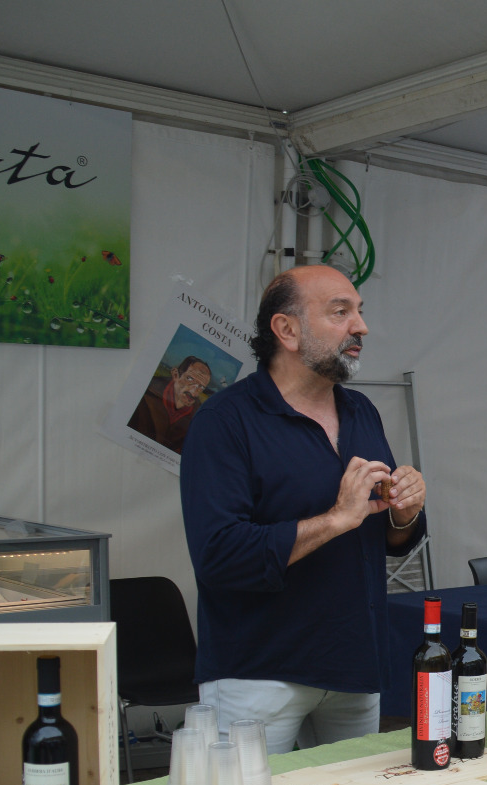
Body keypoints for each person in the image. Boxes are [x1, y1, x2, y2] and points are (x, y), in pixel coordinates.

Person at [181, 265, 428, 753]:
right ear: (287, 329)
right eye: (340, 312)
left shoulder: (361, 411)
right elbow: (219, 555)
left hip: (353, 666)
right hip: (258, 674)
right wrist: (334, 519)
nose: (361, 326)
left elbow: (386, 535)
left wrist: (405, 512)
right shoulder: (224, 421)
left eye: (359, 311)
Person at [128, 355, 212, 454]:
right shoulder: (146, 389)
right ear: (175, 375)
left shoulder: (200, 419)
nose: (193, 392)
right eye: (189, 379)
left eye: (201, 387)